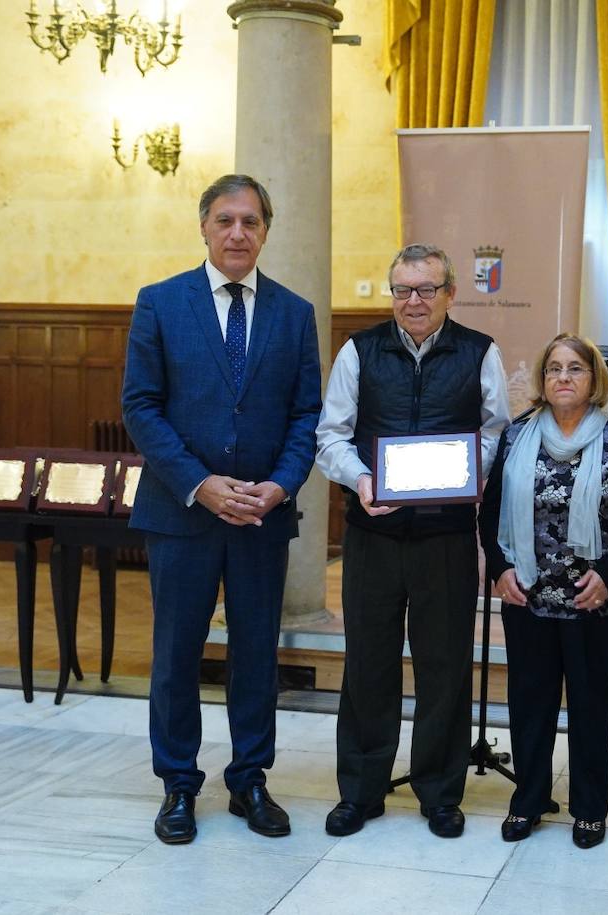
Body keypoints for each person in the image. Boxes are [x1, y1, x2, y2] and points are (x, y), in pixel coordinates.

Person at [122, 174, 322, 845]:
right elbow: (141, 406)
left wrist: (283, 483)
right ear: (203, 226)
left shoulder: (294, 313)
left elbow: (305, 414)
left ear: (267, 230)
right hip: (182, 512)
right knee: (177, 652)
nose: (238, 233)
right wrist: (200, 482)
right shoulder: (160, 303)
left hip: (262, 514)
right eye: (225, 220)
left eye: (251, 222)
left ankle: (249, 778)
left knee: (256, 653)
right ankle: (179, 783)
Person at [315, 243, 510, 839]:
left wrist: (460, 473)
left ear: (451, 293)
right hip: (372, 532)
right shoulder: (359, 350)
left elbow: (495, 432)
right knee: (368, 665)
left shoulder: (480, 352)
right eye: (403, 289)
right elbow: (331, 436)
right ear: (391, 293)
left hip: (446, 537)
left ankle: (439, 791)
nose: (414, 301)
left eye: (426, 289)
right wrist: (363, 478)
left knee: (443, 665)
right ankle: (361, 790)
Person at [478, 334, 608, 849]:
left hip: (592, 600)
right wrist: (500, 569)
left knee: (590, 706)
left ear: (593, 378)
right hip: (526, 596)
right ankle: (527, 801)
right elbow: (490, 512)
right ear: (542, 379)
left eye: (575, 368)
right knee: (529, 704)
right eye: (553, 368)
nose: (562, 377)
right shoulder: (516, 436)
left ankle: (589, 810)